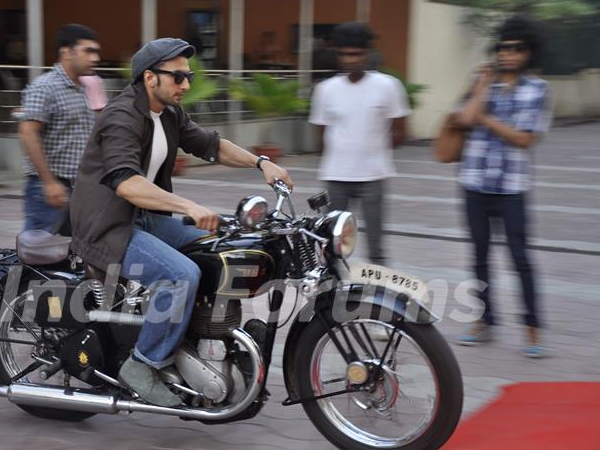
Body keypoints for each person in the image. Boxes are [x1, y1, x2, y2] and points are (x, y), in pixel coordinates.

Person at [70, 38, 293, 407]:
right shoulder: (122, 116)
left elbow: (211, 144)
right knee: (179, 275)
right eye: (178, 77)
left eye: (187, 76)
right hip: (109, 224)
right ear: (149, 77)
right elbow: (125, 181)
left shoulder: (169, 114)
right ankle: (143, 364)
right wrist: (186, 205)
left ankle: (204, 340)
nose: (186, 85)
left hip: (146, 218)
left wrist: (261, 163)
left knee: (224, 243)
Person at [454, 16, 552, 358]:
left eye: (516, 48)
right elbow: (464, 119)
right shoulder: (483, 83)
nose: (508, 54)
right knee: (479, 257)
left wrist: (484, 119)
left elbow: (523, 139)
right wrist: (482, 86)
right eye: (503, 47)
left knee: (520, 258)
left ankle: (532, 328)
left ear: (528, 52)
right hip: (475, 183)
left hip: (512, 187)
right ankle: (484, 321)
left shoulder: (537, 90)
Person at [309, 22, 409, 266]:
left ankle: (379, 298)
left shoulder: (388, 86)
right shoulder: (326, 89)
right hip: (336, 178)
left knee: (376, 245)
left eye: (356, 54)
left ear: (367, 54)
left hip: (373, 177)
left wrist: (372, 150)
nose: (350, 59)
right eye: (344, 54)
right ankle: (330, 296)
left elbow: (401, 131)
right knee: (330, 244)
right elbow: (320, 134)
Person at [18, 23, 100, 233]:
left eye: (96, 52)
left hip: (79, 187)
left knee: (72, 253)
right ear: (66, 52)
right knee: (38, 253)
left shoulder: (84, 87)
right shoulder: (45, 86)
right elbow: (28, 133)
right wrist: (49, 182)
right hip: (50, 186)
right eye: (88, 51)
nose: (95, 58)